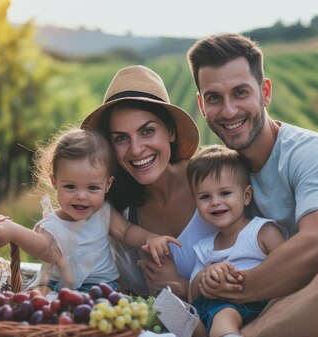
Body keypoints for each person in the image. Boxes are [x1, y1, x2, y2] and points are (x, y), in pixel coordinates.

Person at [186, 33, 318, 337]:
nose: (228, 111)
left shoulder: (307, 151)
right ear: (202, 105)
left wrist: (237, 289)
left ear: (265, 92)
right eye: (214, 98)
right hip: (261, 312)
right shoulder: (222, 172)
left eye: (240, 93)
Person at [0, 128, 180, 294]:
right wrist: (13, 231)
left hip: (103, 286)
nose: (81, 196)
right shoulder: (51, 226)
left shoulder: (103, 212)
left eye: (93, 188)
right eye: (70, 187)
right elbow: (44, 249)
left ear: (107, 185)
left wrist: (150, 238)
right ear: (54, 182)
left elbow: (127, 232)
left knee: (108, 307)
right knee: (39, 298)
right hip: (57, 287)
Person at [82, 65, 217, 298]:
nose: (136, 149)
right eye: (121, 138)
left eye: (147, 131)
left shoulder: (217, 180)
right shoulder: (117, 213)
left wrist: (179, 287)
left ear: (171, 132)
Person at [186, 145, 287, 337]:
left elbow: (288, 267)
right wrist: (207, 274)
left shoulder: (262, 231)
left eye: (224, 193)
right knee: (187, 311)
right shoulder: (205, 247)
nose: (215, 202)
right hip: (217, 308)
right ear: (195, 202)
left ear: (246, 196)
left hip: (263, 304)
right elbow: (192, 293)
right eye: (205, 197)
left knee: (226, 314)